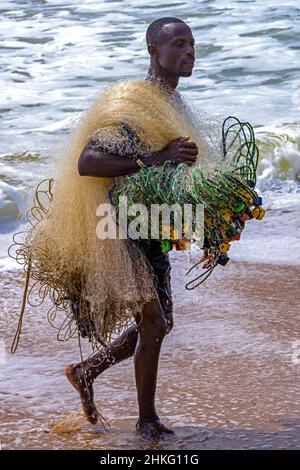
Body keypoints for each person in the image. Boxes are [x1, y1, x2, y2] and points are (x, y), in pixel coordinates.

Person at [64, 17, 215, 439]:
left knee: (159, 324)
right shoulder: (132, 104)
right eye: (179, 44)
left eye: (192, 44)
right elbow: (88, 163)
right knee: (152, 322)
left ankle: (84, 370)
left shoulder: (172, 103)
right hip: (119, 225)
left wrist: (206, 227)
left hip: (150, 225)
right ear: (154, 50)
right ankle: (146, 419)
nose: (189, 52)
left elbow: (177, 175)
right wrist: (157, 157)